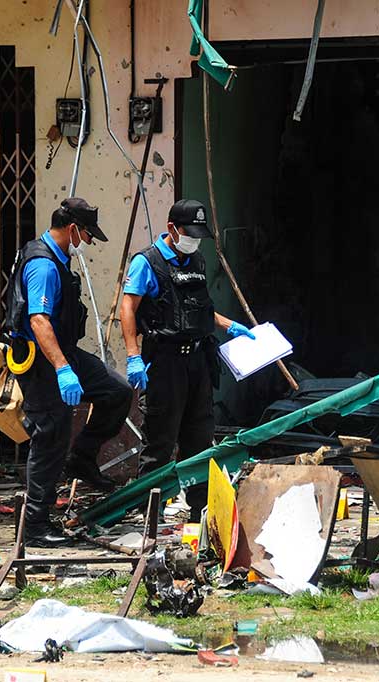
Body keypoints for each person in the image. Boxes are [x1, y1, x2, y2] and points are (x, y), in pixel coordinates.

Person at [3, 197, 133, 547]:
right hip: (44, 362)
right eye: (86, 235)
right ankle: (35, 526)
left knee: (117, 393)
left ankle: (83, 459)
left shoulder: (53, 255)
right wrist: (63, 368)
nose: (87, 243)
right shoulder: (44, 265)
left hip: (64, 352)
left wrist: (68, 361)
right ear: (72, 229)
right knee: (51, 435)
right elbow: (38, 319)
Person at [119, 199, 255, 518]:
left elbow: (200, 307)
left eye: (198, 233)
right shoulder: (147, 262)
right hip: (164, 362)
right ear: (171, 229)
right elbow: (128, 308)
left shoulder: (196, 261)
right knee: (161, 441)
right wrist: (132, 356)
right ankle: (148, 513)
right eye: (188, 232)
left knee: (199, 437)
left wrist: (228, 325)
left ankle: (201, 510)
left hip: (197, 361)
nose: (194, 239)